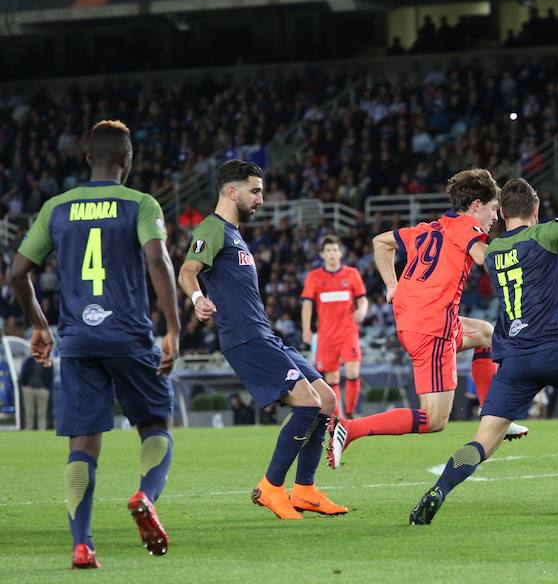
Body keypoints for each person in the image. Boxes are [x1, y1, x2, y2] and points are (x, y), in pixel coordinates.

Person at [409, 155, 558, 525]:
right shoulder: (543, 236)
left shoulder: (491, 252)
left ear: (503, 214)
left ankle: (438, 491)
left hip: (515, 364)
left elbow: (455, 248)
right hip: (556, 352)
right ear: (535, 210)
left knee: (482, 442)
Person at [9, 120, 181, 568]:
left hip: (78, 339)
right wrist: (173, 327)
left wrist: (40, 325)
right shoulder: (140, 204)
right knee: (156, 422)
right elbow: (157, 257)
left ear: (87, 159)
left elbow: (16, 271)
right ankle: (145, 495)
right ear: (128, 161)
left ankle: (82, 544)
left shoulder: (57, 207)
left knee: (82, 446)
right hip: (128, 335)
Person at [178, 160, 345, 520]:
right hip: (245, 338)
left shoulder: (236, 234)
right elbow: (187, 271)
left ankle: (305, 491)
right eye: (255, 191)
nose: (261, 199)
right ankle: (271, 487)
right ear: (231, 191)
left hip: (265, 334)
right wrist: (197, 299)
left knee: (327, 400)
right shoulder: (212, 227)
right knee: (308, 403)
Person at [328, 168, 527, 469]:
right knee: (433, 419)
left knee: (486, 333)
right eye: (492, 209)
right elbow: (482, 257)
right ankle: (350, 429)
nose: (495, 218)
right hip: (433, 329)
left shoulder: (432, 227)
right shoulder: (466, 227)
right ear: (476, 206)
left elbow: (380, 242)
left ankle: (494, 412)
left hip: (415, 320)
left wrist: (392, 285)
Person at [301, 235, 368, 419]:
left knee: (353, 370)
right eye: (328, 250)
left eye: (335, 250)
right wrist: (306, 329)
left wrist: (362, 310)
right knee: (332, 379)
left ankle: (350, 413)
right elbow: (307, 304)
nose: (332, 254)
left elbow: (362, 299)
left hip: (348, 332)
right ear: (322, 254)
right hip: (326, 335)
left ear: (340, 253)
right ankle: (338, 419)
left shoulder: (352, 274)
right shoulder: (313, 277)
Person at [19, 355, 53, 430]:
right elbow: (23, 373)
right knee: (29, 413)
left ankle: (42, 431)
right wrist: (25, 386)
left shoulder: (47, 361)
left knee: (42, 413)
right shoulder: (28, 361)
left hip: (42, 390)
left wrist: (47, 388)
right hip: (29, 389)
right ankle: (28, 430)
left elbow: (50, 376)